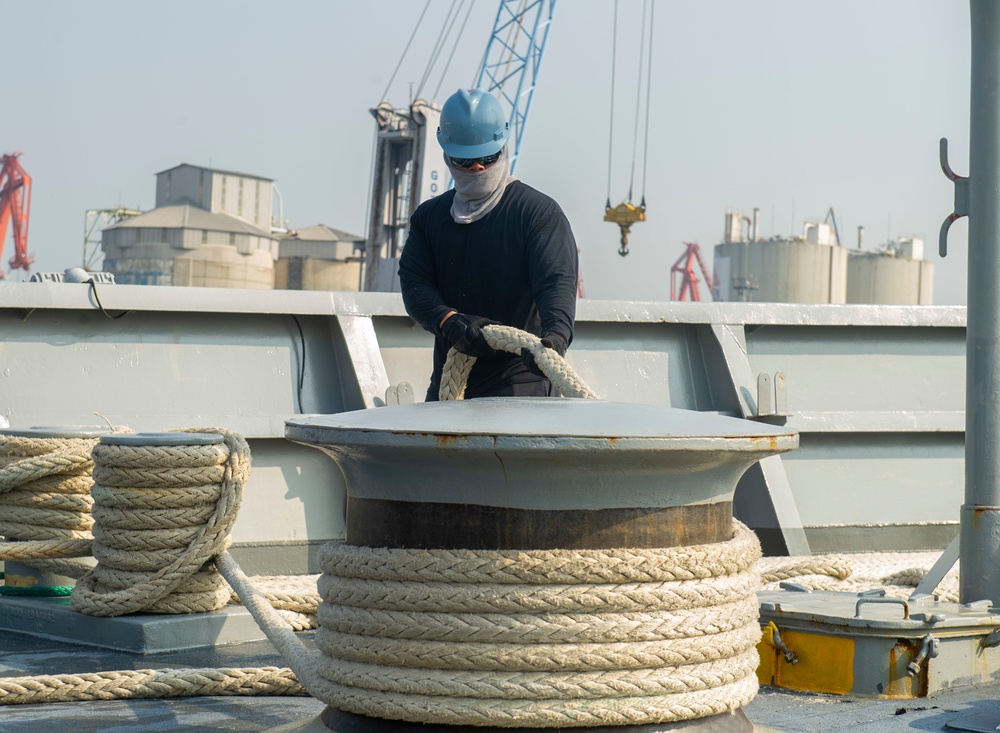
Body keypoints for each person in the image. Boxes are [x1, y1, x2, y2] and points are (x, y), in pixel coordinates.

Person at [398, 88, 579, 401]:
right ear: (447, 155)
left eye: (487, 158)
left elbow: (556, 283)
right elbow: (415, 284)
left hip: (521, 382)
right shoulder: (429, 218)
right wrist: (447, 320)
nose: (477, 168)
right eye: (465, 161)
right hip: (449, 381)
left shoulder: (537, 213)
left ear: (503, 148)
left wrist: (556, 336)